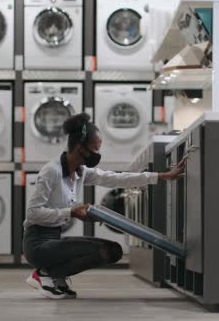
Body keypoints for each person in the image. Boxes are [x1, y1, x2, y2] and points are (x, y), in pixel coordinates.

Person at [22, 113, 185, 299]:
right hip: (37, 245)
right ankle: (45, 275)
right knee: (101, 251)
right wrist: (72, 212)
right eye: (94, 148)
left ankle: (55, 276)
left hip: (54, 238)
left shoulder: (80, 171)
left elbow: (115, 178)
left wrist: (162, 176)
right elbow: (33, 213)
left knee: (113, 251)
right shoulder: (51, 172)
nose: (97, 154)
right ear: (79, 148)